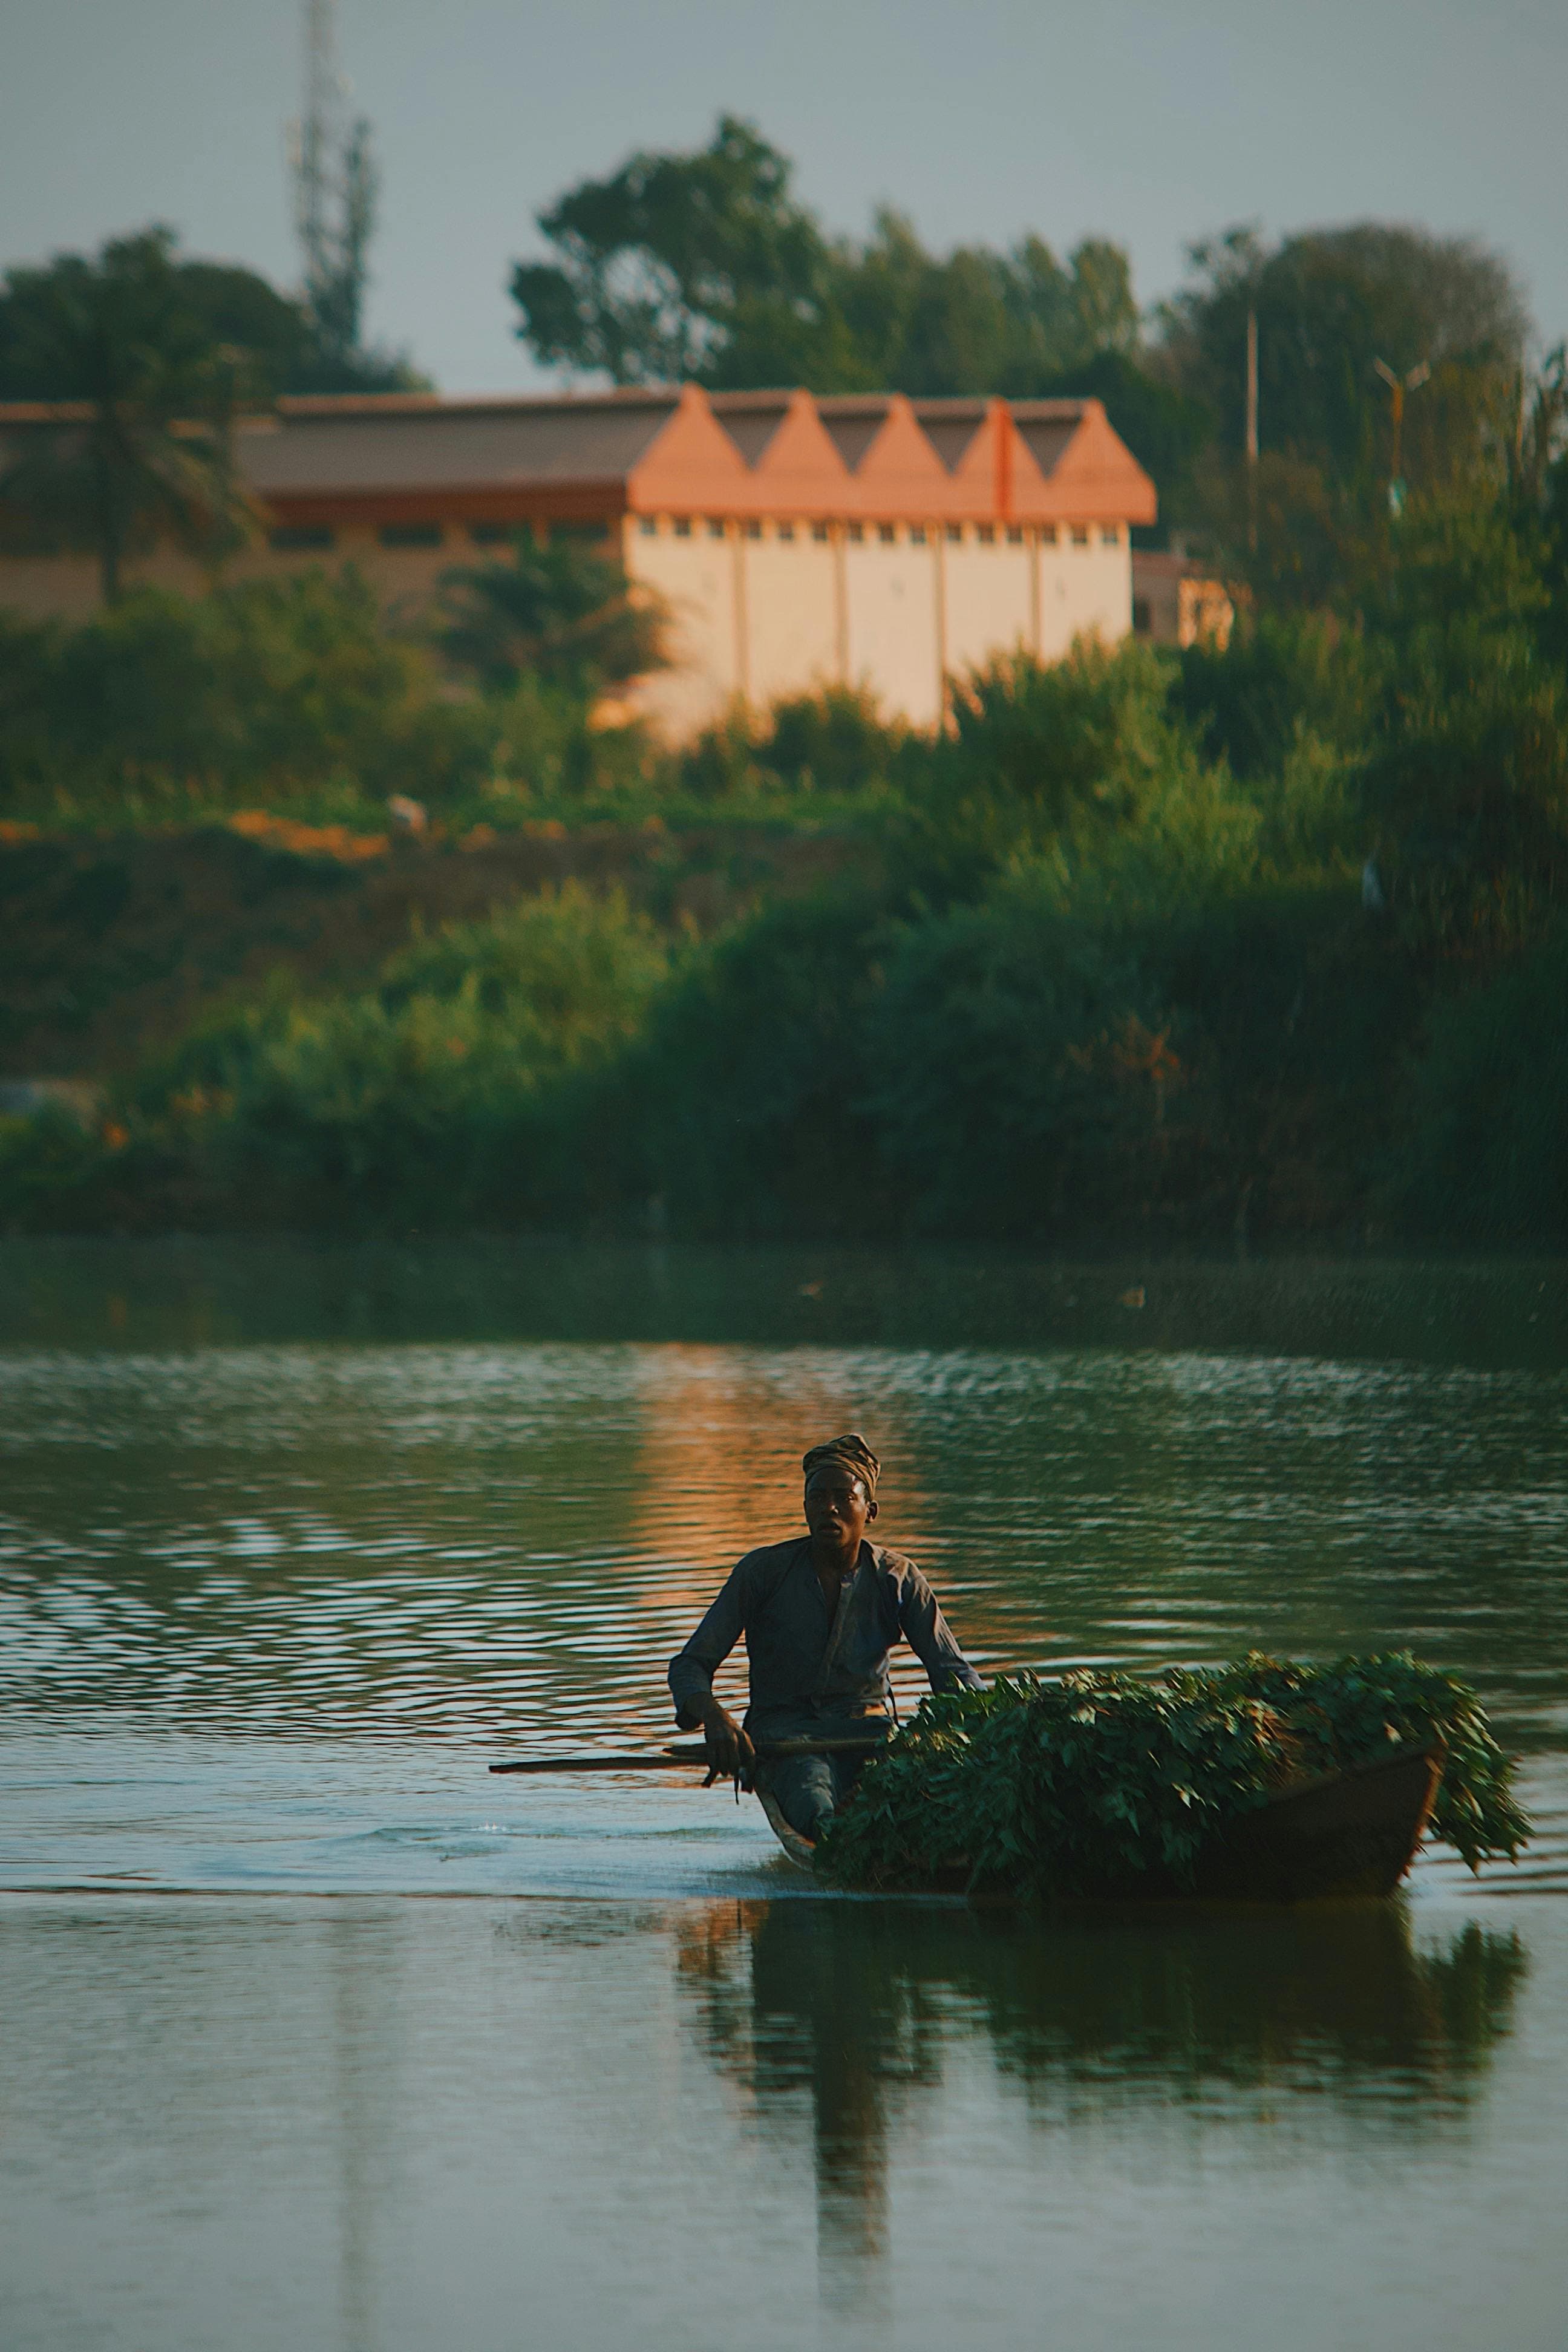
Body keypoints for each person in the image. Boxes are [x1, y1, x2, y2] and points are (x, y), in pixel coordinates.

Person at [667, 1433, 984, 1839]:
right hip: (787, 1741)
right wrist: (715, 1718)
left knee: (923, 1812)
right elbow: (690, 1665)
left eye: (843, 1497)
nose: (829, 1508)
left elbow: (951, 1670)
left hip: (870, 1737)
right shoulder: (762, 1574)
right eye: (818, 1498)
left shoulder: (898, 1578)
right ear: (805, 1508)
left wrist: (989, 1724)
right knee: (823, 1821)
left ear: (869, 1511)